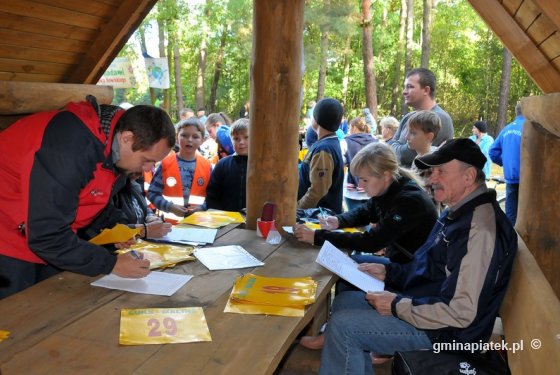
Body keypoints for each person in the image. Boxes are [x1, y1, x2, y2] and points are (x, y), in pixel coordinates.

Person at [317, 138, 517, 374]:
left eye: (441, 172)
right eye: (432, 172)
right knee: (344, 301)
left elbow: (462, 313)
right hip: (425, 306)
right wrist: (390, 272)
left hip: (448, 335)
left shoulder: (478, 230)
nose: (432, 179)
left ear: (469, 176)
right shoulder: (458, 211)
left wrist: (397, 306)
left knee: (343, 327)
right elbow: (428, 266)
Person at [0, 97, 176, 298]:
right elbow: (46, 234)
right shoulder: (70, 146)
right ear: (127, 138)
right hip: (8, 237)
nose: (148, 169)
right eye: (147, 160)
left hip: (40, 235)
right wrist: (111, 264)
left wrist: (115, 229)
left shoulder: (113, 146)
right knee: (17, 318)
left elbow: (90, 197)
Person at [294, 142, 437, 265]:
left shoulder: (409, 201)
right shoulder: (390, 187)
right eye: (359, 179)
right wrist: (338, 220)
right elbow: (366, 210)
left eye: (365, 180)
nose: (360, 186)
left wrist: (317, 236)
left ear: (386, 175)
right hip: (402, 261)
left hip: (415, 269)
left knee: (345, 264)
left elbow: (373, 242)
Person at [147, 118, 212, 222]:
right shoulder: (166, 164)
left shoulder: (207, 166)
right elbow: (152, 194)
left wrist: (203, 208)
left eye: (195, 136)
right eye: (184, 135)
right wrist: (169, 207)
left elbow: (214, 197)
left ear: (202, 140)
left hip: (199, 225)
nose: (189, 140)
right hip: (170, 225)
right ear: (177, 137)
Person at [387, 68, 454, 167]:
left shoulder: (439, 119)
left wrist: (392, 146)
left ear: (426, 90)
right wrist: (393, 146)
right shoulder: (408, 117)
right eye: (405, 87)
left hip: (418, 181)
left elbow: (406, 156)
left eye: (410, 87)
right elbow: (388, 151)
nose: (404, 92)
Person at [297, 98, 345, 214]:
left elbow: (317, 190)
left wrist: (298, 209)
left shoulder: (324, 149)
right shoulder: (329, 143)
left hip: (317, 217)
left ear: (317, 119)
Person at [489, 103, 524, 225]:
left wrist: (506, 163)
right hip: (528, 181)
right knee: (526, 216)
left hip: (510, 179)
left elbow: (492, 152)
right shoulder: (530, 129)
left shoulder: (506, 129)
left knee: (511, 217)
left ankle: (510, 242)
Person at [206, 118, 249, 212]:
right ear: (231, 140)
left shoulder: (263, 166)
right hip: (226, 221)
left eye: (246, 137)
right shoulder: (222, 165)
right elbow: (212, 195)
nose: (241, 142)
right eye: (236, 139)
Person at [342, 117, 378, 211]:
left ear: (353, 127)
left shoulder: (346, 141)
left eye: (350, 127)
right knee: (369, 219)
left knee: (355, 220)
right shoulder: (376, 141)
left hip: (352, 188)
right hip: (372, 184)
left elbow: (340, 161)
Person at [406, 110, 441, 180]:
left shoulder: (429, 164)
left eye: (413, 133)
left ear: (429, 137)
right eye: (408, 131)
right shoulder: (419, 156)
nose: (406, 137)